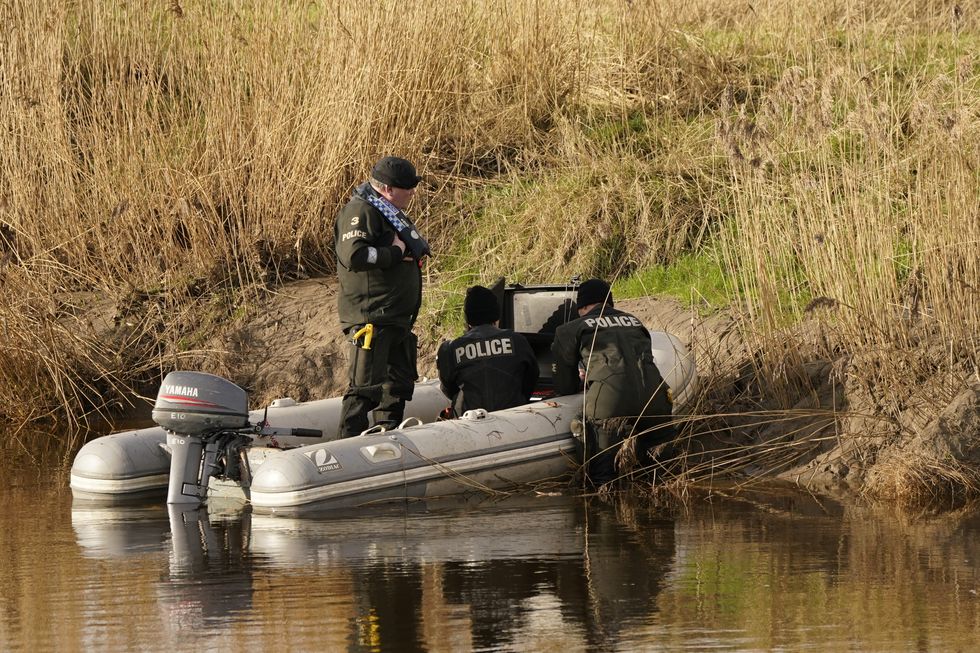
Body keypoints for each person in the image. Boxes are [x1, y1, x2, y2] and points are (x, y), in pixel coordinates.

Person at [334, 156, 430, 437]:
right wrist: (396, 253)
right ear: (387, 189)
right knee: (365, 388)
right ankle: (345, 447)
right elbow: (354, 254)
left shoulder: (389, 211)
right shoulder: (361, 211)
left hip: (395, 318)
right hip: (372, 317)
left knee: (398, 386)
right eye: (408, 187)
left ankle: (388, 435)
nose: (413, 191)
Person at [551, 279, 673, 485]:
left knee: (603, 477)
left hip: (609, 400)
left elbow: (564, 384)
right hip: (655, 396)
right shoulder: (634, 321)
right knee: (661, 472)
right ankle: (663, 512)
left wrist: (583, 382)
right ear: (610, 303)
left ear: (582, 306)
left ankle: (607, 512)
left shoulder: (570, 329)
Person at [437, 285, 539, 416]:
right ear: (497, 315)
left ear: (468, 318)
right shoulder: (518, 341)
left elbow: (447, 388)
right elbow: (532, 378)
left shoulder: (451, 348)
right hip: (515, 421)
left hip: (471, 423)